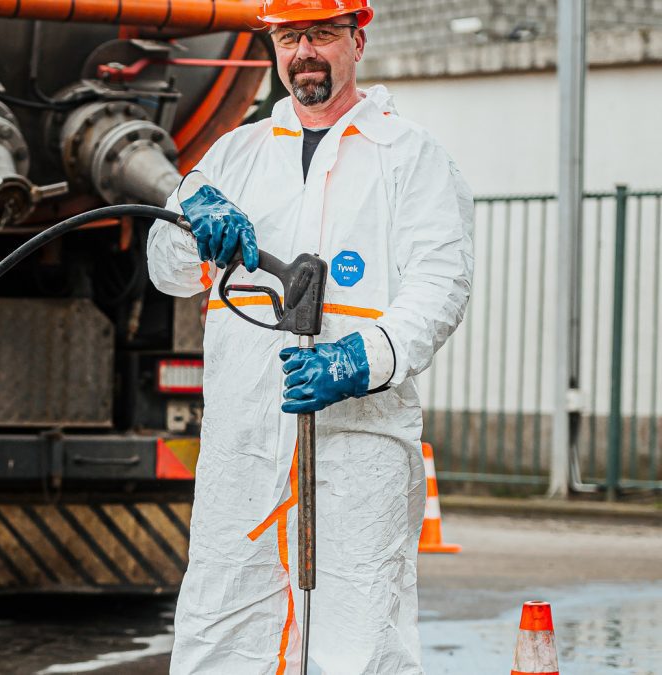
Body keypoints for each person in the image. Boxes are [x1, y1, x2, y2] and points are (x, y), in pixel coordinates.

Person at [147, 0, 474, 672]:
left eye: (321, 35)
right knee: (221, 641)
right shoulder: (236, 155)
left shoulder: (408, 157)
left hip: (356, 451)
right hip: (242, 454)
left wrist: (363, 357)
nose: (304, 53)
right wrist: (188, 213)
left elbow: (441, 283)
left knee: (354, 646)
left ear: (357, 40)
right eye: (290, 37)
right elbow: (167, 269)